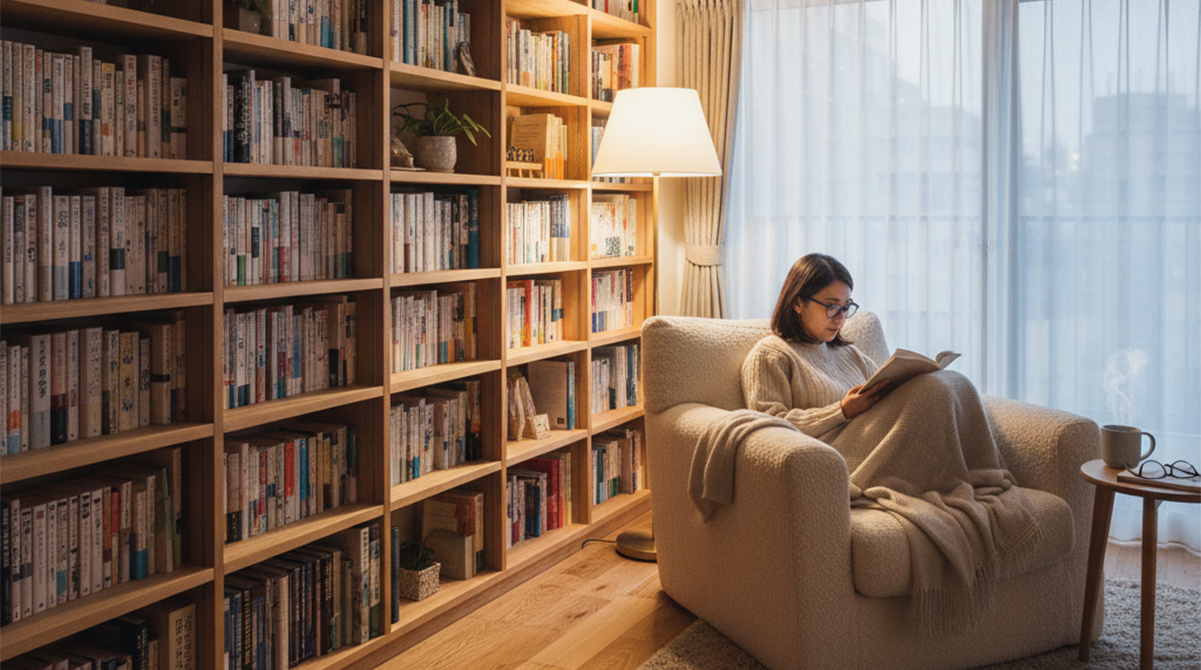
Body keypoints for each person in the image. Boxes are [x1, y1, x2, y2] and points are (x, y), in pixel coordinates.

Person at [740, 253, 1039, 632]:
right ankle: (961, 477)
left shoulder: (847, 352)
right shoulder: (770, 354)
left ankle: (980, 476)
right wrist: (842, 410)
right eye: (831, 306)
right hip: (836, 459)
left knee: (953, 383)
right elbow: (769, 426)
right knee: (932, 391)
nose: (839, 318)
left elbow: (884, 390)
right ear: (798, 301)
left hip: (878, 441)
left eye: (846, 308)